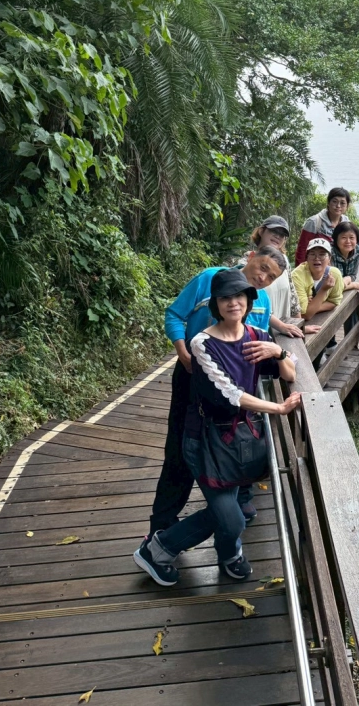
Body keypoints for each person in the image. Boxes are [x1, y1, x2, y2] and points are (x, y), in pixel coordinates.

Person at [134, 269, 301, 586]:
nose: (234, 303)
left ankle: (229, 553)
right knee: (232, 516)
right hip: (205, 440)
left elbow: (290, 374)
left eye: (240, 297)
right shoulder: (202, 344)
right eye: (226, 298)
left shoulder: (256, 336)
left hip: (238, 440)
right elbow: (231, 395)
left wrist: (278, 351)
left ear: (249, 302)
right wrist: (278, 408)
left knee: (232, 507)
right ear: (215, 305)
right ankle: (158, 549)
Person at [149, 246, 287, 540]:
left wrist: (276, 352)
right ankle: (162, 523)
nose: (262, 277)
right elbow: (174, 315)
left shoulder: (259, 300)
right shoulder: (208, 279)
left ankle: (237, 501)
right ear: (251, 257)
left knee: (232, 441)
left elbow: (255, 342)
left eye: (271, 276)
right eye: (262, 267)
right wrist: (182, 351)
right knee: (181, 448)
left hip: (233, 389)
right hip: (192, 377)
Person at [292, 238, 344, 320]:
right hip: (297, 325)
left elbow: (334, 301)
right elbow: (304, 315)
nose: (317, 258)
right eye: (312, 254)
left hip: (323, 319)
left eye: (322, 254)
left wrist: (313, 306)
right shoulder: (297, 276)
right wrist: (324, 290)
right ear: (307, 258)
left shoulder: (335, 274)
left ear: (329, 258)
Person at [295, 187, 350, 265]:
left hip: (339, 268)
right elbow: (302, 249)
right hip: (316, 268)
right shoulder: (314, 222)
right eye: (334, 201)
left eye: (342, 203)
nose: (338, 206)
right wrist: (300, 271)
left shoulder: (346, 223)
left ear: (347, 206)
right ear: (328, 203)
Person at [331, 221, 359, 295]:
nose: (348, 241)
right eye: (343, 237)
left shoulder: (357, 250)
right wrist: (355, 285)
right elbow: (334, 287)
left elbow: (353, 275)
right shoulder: (329, 254)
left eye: (351, 237)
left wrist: (347, 279)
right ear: (336, 239)